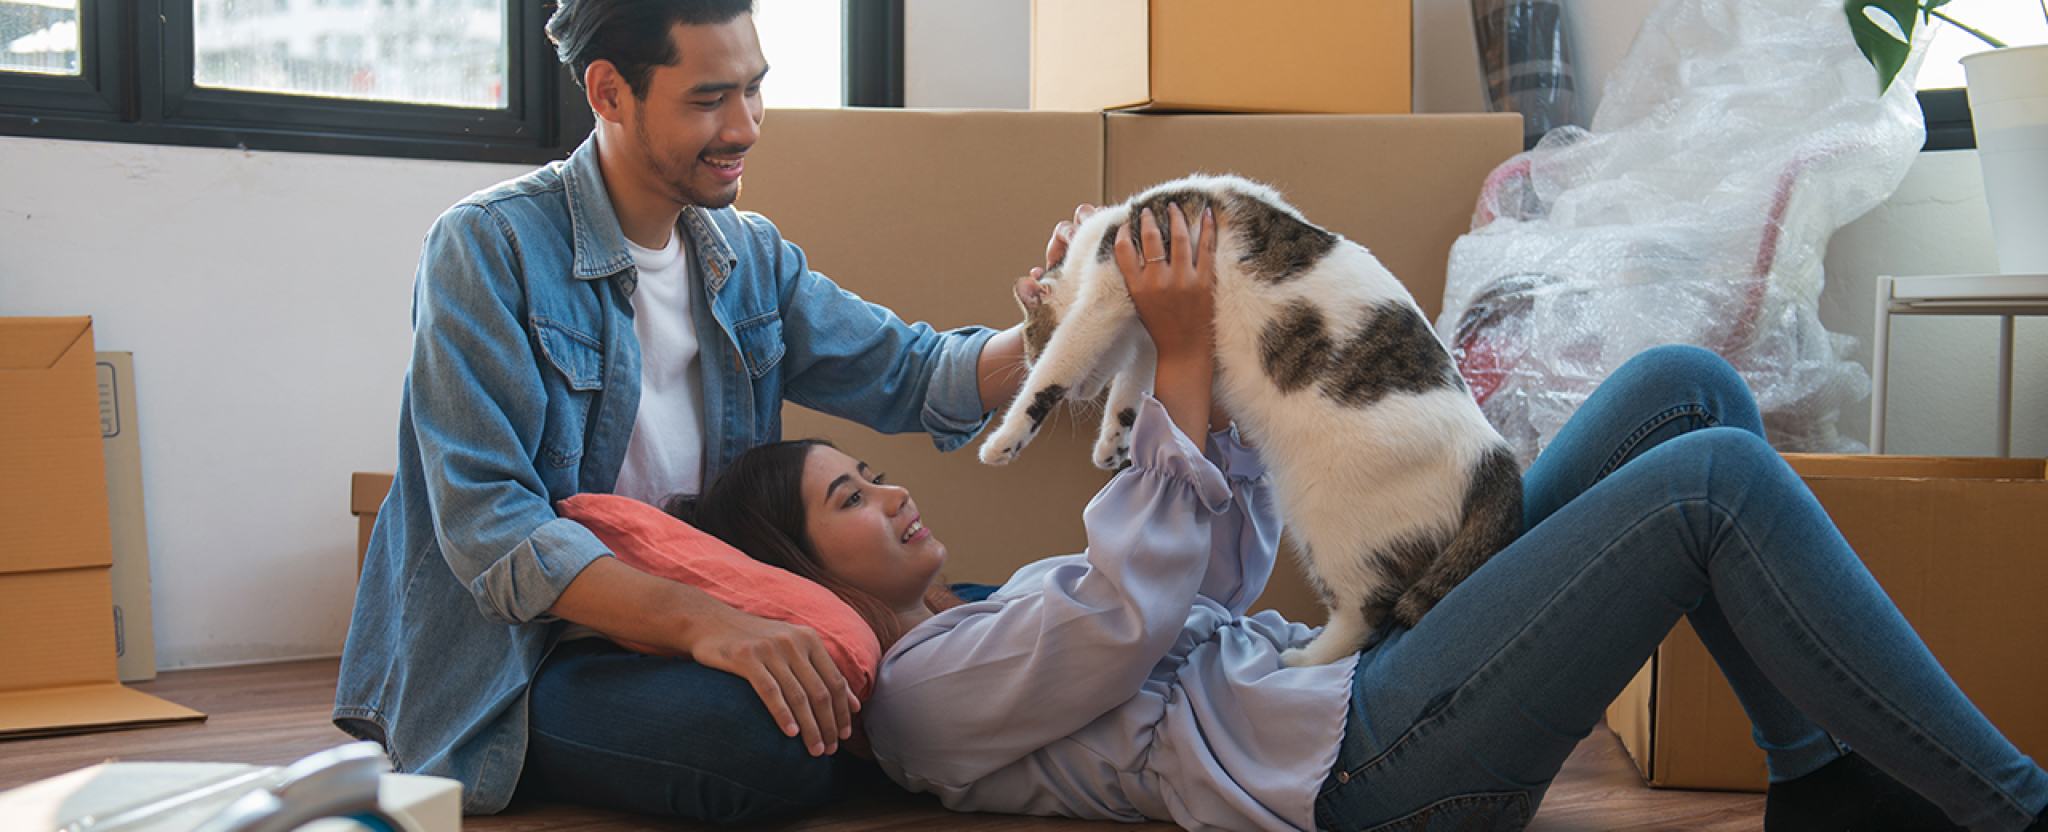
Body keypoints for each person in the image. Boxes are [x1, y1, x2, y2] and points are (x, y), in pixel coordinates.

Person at [685, 204, 2048, 831]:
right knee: (1714, 489)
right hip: (1369, 772)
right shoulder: (918, 706)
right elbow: (1126, 623)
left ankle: (1812, 777)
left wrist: (1191, 349)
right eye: (849, 499)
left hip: (1361, 676)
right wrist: (1164, 356)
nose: (893, 487)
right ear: (802, 578)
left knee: (1678, 394)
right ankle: (2013, 809)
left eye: (871, 471)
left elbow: (1218, 552)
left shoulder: (981, 612)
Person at [333, 0, 1090, 820]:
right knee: (767, 743)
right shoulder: (489, 247)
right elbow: (491, 524)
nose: (746, 127)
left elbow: (916, 375)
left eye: (754, 90)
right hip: (544, 657)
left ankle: (923, 723)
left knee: (1015, 617)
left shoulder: (749, 256)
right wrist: (706, 624)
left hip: (730, 613)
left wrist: (1068, 317)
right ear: (609, 92)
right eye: (707, 99)